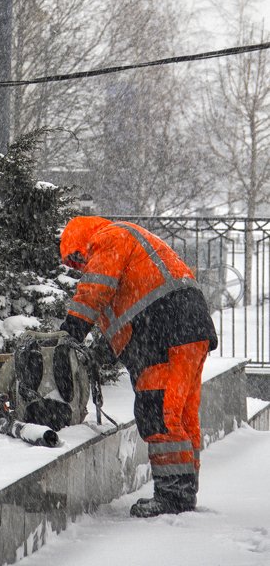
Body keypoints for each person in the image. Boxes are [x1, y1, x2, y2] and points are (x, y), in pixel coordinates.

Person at [59, 215, 218, 518]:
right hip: (187, 327)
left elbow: (94, 290)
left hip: (164, 329)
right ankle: (182, 493)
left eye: (77, 257)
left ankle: (173, 498)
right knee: (181, 413)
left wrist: (71, 331)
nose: (79, 266)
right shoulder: (132, 248)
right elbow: (127, 317)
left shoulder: (110, 237)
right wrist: (101, 352)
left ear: (82, 239)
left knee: (158, 410)